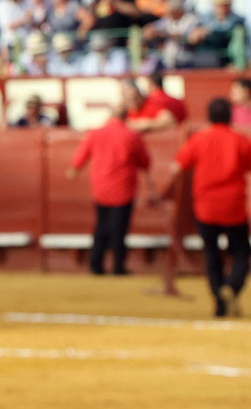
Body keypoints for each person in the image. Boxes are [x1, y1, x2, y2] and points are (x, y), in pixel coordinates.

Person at [161, 98, 251, 317]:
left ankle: (219, 304)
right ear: (229, 116)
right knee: (241, 252)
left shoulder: (199, 139)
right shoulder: (240, 140)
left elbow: (177, 167)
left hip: (206, 207)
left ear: (209, 116)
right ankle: (232, 286)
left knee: (211, 255)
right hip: (233, 206)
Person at [69, 95, 152, 276]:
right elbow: (144, 161)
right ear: (125, 117)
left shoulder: (96, 133)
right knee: (119, 230)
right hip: (123, 189)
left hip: (101, 187)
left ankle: (96, 264)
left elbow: (81, 155)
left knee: (101, 227)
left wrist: (74, 169)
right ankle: (118, 266)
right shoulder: (131, 135)